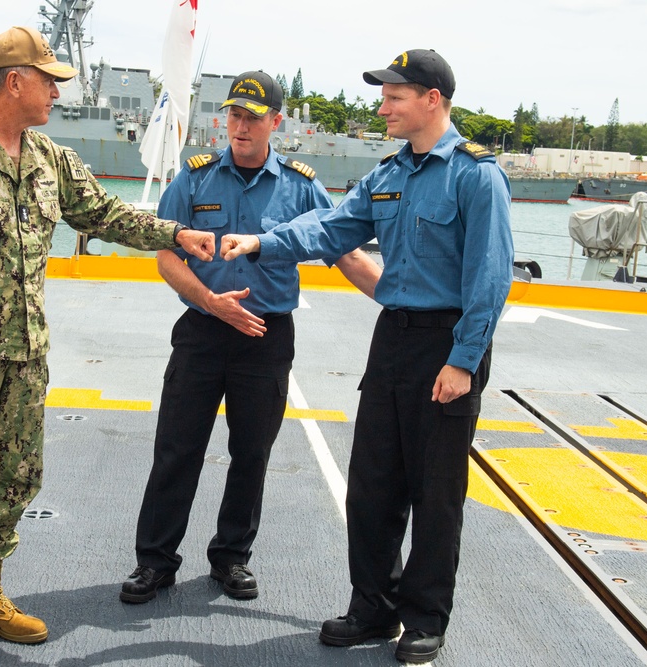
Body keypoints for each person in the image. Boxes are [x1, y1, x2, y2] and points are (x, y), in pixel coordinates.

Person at [0, 26, 215, 667]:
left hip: (24, 358)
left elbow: (103, 212)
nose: (57, 90)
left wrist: (175, 232)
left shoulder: (50, 159)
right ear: (14, 81)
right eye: (49, 79)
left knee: (12, 477)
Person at [221, 49, 513, 663]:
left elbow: (489, 279)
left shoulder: (474, 175)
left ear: (432, 99)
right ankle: (373, 607)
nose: (383, 109)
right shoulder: (389, 175)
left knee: (436, 491)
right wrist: (262, 242)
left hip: (447, 343)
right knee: (373, 484)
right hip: (392, 341)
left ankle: (425, 618)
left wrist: (463, 361)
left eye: (394, 98)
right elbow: (331, 229)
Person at [119, 71, 382, 605]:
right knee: (177, 448)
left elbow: (346, 253)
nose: (240, 126)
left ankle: (232, 557)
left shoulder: (301, 186)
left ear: (275, 123)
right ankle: (155, 561)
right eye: (234, 115)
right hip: (202, 330)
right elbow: (166, 255)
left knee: (251, 453)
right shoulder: (193, 180)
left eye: (253, 118)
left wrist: (406, 302)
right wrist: (209, 303)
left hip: (265, 336)